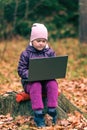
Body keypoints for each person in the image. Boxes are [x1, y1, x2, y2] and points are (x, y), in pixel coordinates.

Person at [18, 23, 58, 128]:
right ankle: (38, 114)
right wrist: (31, 74)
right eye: (38, 41)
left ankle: (52, 110)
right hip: (30, 83)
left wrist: (54, 71)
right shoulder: (26, 53)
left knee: (53, 83)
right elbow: (21, 70)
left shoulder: (50, 52)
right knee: (36, 85)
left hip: (46, 81)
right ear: (32, 41)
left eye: (43, 41)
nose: (41, 43)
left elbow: (54, 67)